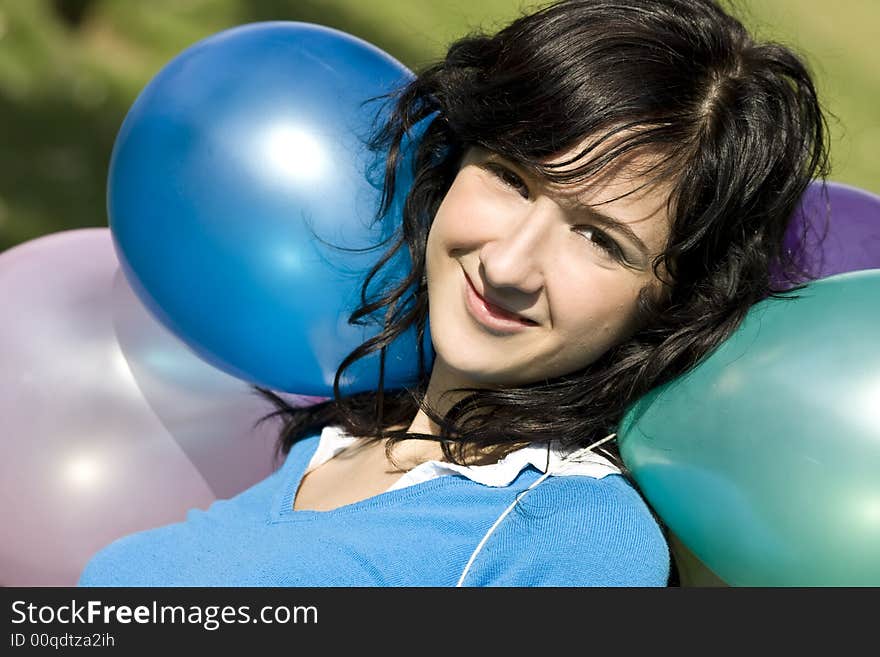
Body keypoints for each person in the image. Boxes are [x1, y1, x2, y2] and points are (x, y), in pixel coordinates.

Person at [77, 0, 828, 587]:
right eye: (511, 177)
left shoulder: (571, 538)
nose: (508, 265)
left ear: (671, 302)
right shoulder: (334, 435)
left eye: (599, 239)